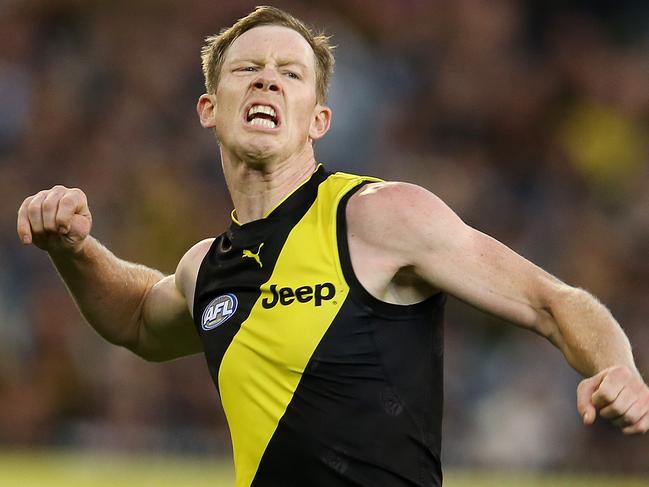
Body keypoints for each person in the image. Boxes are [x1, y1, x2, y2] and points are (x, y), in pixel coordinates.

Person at [16, 5, 649, 487]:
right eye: (248, 69)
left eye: (290, 74)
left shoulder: (381, 217)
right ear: (210, 107)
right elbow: (135, 321)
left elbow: (552, 300)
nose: (267, 82)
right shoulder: (206, 266)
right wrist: (74, 248)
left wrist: (615, 368)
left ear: (318, 119)